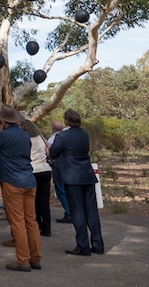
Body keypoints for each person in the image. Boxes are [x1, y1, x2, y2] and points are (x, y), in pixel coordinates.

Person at [0, 105, 41, 272]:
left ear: (2, 121)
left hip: (12, 180)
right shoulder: (25, 135)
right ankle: (35, 257)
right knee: (31, 221)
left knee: (17, 222)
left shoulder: (3, 135)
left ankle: (22, 260)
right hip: (29, 180)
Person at [49, 109, 105, 256]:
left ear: (66, 121)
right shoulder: (84, 134)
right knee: (91, 211)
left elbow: (52, 152)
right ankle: (98, 244)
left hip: (72, 176)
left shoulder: (62, 136)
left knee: (77, 211)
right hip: (87, 174)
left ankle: (83, 245)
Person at [22, 119, 52, 236]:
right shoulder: (40, 137)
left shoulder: (26, 139)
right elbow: (48, 148)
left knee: (32, 200)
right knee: (44, 201)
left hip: (33, 170)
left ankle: (36, 224)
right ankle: (47, 227)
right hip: (45, 169)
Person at [48, 120, 72, 223]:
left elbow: (51, 152)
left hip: (59, 167)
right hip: (69, 167)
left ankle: (69, 213)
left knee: (61, 190)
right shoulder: (68, 136)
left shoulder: (54, 138)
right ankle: (72, 212)